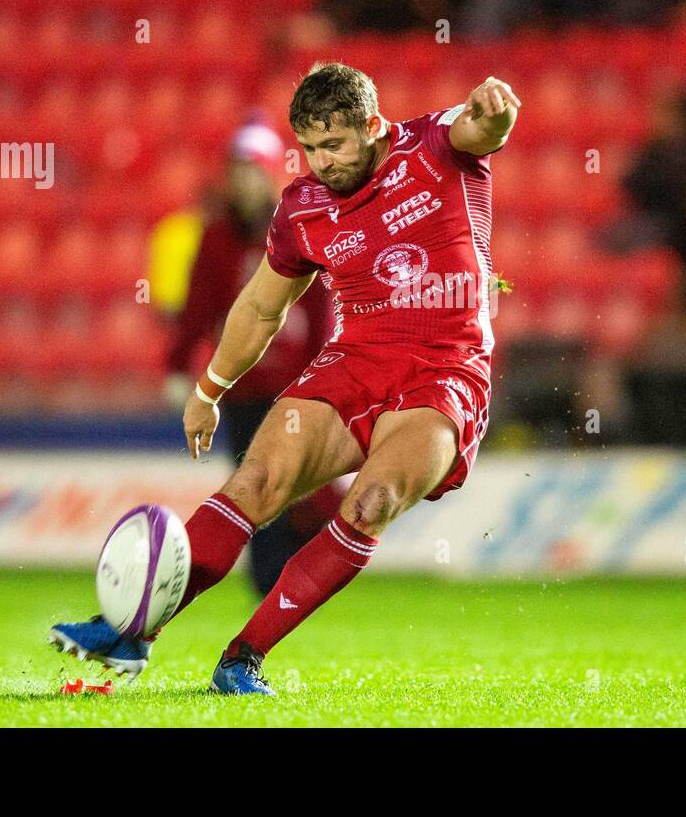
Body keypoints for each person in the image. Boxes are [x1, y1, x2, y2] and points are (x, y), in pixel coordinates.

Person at [50, 63, 518, 693]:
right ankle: (133, 632)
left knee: (372, 501)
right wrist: (208, 390)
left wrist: (496, 111)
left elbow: (483, 129)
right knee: (259, 479)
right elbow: (260, 308)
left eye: (335, 145)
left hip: (447, 369)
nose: (321, 162)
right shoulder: (303, 208)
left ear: (374, 127)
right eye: (310, 148)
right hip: (355, 357)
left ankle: (243, 657)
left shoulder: (431, 145)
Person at [161, 118, 345, 596]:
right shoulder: (217, 236)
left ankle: (295, 578)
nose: (244, 181)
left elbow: (320, 307)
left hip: (293, 383)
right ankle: (270, 585)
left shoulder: (298, 229)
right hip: (243, 385)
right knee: (255, 482)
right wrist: (180, 364)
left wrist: (321, 374)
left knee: (295, 486)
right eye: (237, 171)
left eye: (253, 170)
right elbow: (199, 304)